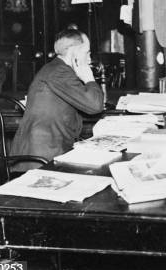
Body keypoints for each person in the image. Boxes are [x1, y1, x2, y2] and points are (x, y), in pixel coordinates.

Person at [10, 29, 105, 171]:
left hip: (49, 150)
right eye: (87, 53)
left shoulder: (57, 69)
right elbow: (95, 105)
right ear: (74, 52)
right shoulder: (60, 73)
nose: (90, 59)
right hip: (41, 159)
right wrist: (89, 79)